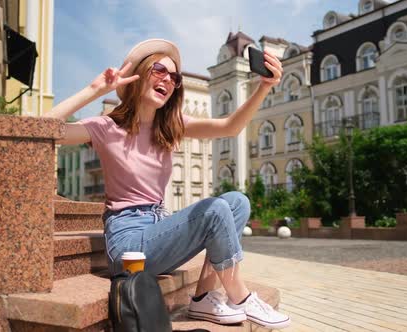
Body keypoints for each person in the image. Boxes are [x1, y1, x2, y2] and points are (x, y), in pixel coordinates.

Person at [45, 39, 290, 329]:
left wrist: (263, 87)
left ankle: (203, 297)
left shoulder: (170, 126)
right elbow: (42, 127)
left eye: (174, 77)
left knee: (237, 201)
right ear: (140, 73)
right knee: (213, 209)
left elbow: (230, 127)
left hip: (158, 232)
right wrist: (96, 90)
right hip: (128, 245)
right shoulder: (107, 127)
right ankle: (241, 297)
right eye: (160, 70)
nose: (168, 80)